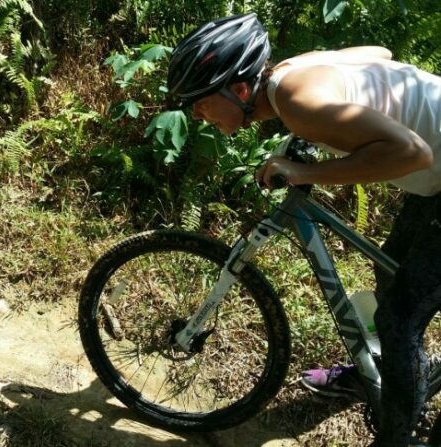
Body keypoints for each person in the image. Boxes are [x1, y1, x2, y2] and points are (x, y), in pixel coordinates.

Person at [166, 12, 441, 447]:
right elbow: (379, 54)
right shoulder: (291, 72)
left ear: (239, 90)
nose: (197, 114)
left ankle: (397, 439)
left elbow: (413, 153)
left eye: (200, 101)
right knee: (392, 275)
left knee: (398, 319)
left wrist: (300, 170)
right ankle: (392, 372)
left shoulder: (297, 100)